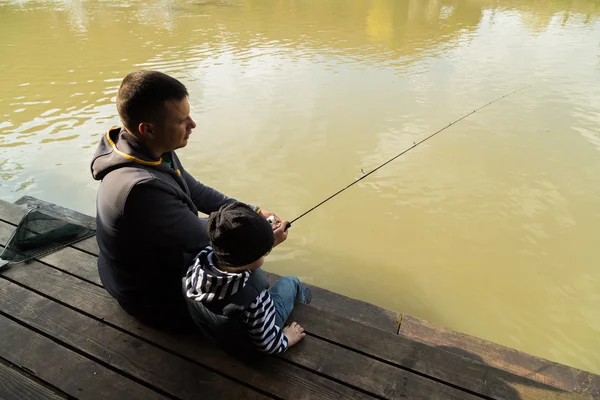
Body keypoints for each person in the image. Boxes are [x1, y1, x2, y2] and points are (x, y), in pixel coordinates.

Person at [90, 70, 280, 330]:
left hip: (148, 267)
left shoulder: (149, 149)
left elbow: (198, 192)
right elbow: (207, 241)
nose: (192, 124)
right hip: (149, 299)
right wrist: (263, 238)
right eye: (182, 120)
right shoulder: (140, 189)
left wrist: (254, 211)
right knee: (252, 283)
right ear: (148, 129)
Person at [184, 202, 311, 355]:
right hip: (246, 346)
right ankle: (303, 304)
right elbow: (267, 343)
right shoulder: (253, 297)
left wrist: (263, 242)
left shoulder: (200, 260)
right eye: (264, 253)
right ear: (251, 258)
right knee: (292, 282)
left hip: (215, 332)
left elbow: (240, 250)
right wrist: (287, 338)